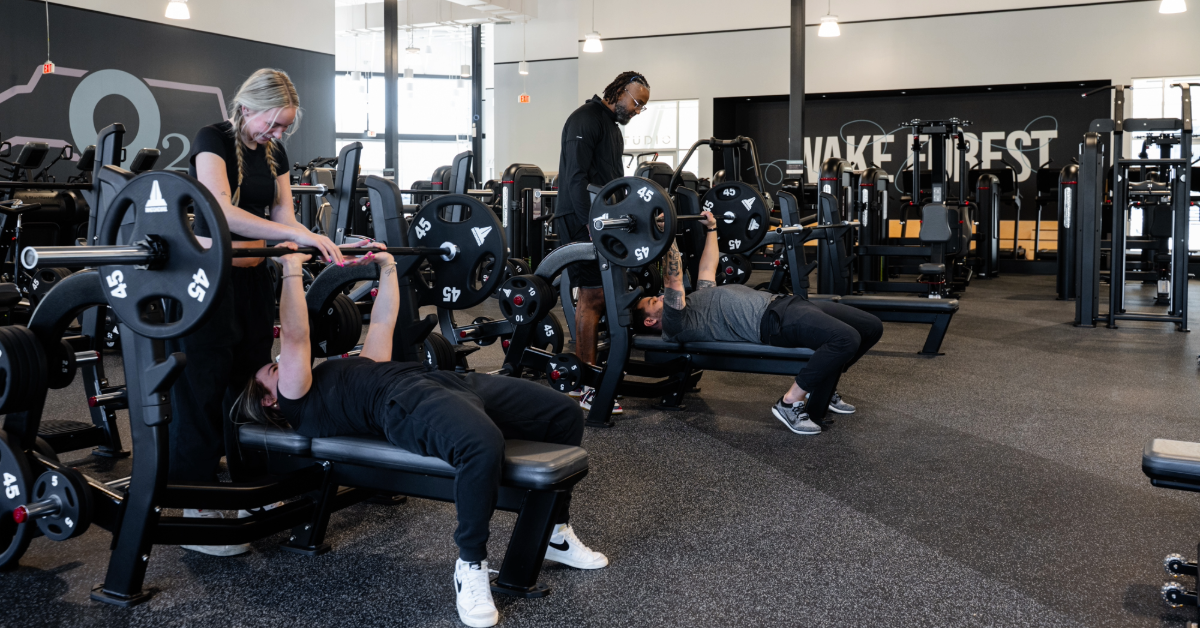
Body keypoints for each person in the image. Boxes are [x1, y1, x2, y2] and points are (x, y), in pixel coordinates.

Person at [238, 244, 608, 628]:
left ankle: (555, 532)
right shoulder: (295, 400)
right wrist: (291, 270)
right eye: (271, 368)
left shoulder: (336, 373)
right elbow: (296, 337)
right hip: (399, 401)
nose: (280, 362)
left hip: (438, 380)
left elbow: (382, 324)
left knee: (562, 414)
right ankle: (471, 565)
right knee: (479, 445)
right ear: (270, 402)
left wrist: (387, 267)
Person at [171, 69, 345, 555]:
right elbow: (219, 211)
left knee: (247, 378)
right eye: (275, 124)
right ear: (247, 107)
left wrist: (298, 236)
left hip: (252, 276)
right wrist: (295, 238)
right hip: (207, 276)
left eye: (286, 127)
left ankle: (249, 487)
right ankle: (196, 502)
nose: (279, 134)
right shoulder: (213, 139)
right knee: (202, 381)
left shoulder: (275, 151)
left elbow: (282, 215)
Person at [632, 211, 883, 436]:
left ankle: (822, 388)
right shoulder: (675, 323)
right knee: (845, 338)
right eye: (654, 300)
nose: (661, 296)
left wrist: (712, 228)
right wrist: (666, 234)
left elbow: (708, 265)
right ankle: (789, 403)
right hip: (771, 321)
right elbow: (673, 279)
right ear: (651, 320)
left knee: (871, 327)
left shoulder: (696, 299)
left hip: (785, 302)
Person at [556, 71, 651, 413]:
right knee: (593, 295)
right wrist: (591, 224)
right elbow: (575, 178)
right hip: (581, 218)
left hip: (603, 220)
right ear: (619, 91)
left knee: (606, 294)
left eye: (642, 106)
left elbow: (610, 181)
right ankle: (585, 385)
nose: (638, 110)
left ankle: (594, 376)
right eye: (637, 102)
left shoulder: (611, 127)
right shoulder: (585, 119)